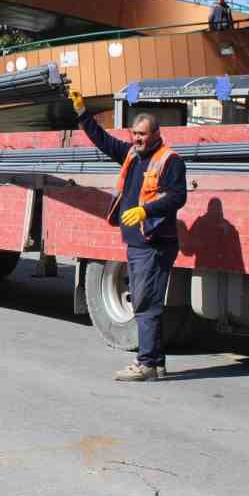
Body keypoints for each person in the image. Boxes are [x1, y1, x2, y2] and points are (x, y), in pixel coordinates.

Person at [71, 89, 189, 381]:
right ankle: (156, 363)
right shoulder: (132, 154)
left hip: (153, 243)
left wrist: (145, 212)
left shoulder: (169, 161)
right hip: (138, 243)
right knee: (147, 301)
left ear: (156, 134)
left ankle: (146, 363)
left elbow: (178, 197)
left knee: (144, 303)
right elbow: (103, 141)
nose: (137, 139)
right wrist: (83, 114)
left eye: (143, 134)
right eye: (135, 133)